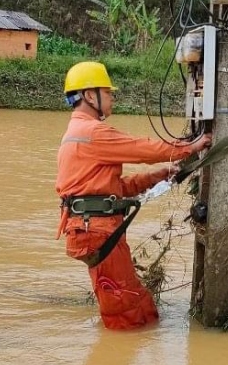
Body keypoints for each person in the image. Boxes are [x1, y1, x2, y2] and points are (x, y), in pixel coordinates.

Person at [55, 61, 211, 330]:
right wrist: (190, 146)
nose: (113, 97)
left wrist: (158, 175)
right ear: (91, 95)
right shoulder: (92, 132)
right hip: (97, 230)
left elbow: (117, 188)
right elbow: (143, 149)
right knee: (124, 308)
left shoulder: (75, 133)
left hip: (93, 229)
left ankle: (132, 342)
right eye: (109, 92)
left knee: (132, 300)